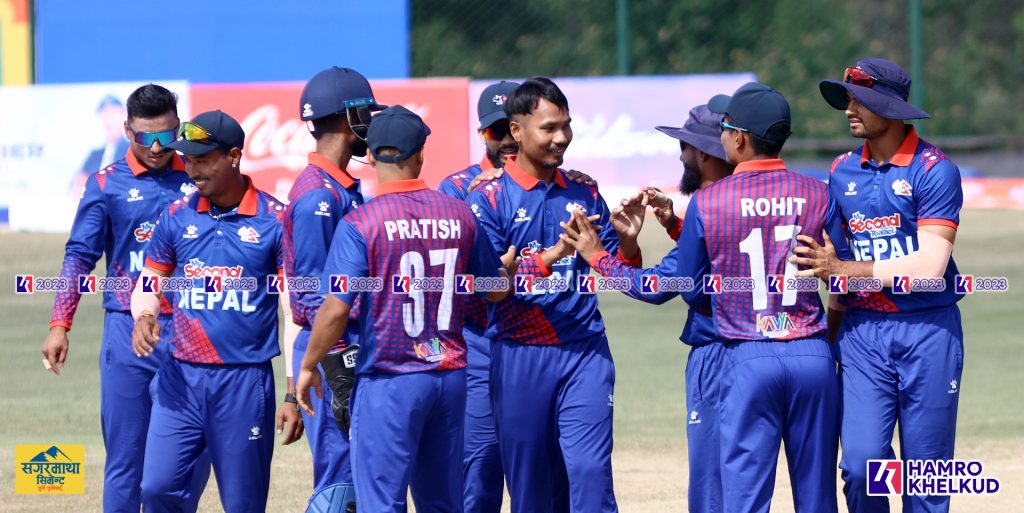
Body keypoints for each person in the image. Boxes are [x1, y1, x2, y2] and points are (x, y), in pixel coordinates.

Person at [296, 105, 513, 513]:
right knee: (442, 503)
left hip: (390, 380)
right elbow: (495, 290)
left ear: (370, 156)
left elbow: (335, 309)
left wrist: (308, 365)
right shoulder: (460, 214)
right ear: (421, 155)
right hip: (449, 378)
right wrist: (507, 272)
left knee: (381, 502)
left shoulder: (361, 222)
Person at [791, 57, 965, 513]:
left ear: (889, 106)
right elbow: (835, 261)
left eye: (859, 101)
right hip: (862, 334)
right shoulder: (840, 171)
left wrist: (847, 270)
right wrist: (830, 331)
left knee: (926, 476)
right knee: (860, 466)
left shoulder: (935, 169)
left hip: (928, 331)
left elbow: (929, 267)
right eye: (848, 100)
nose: (849, 109)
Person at [466, 77, 635, 513]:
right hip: (519, 354)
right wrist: (552, 256)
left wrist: (629, 242)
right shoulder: (487, 199)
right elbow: (489, 290)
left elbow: (619, 272)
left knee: (590, 472)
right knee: (530, 489)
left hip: (585, 351)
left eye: (566, 125)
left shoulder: (585, 191)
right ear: (517, 131)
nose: (562, 137)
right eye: (549, 128)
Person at [559, 103, 735, 513]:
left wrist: (599, 256)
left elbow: (656, 287)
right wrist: (673, 228)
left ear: (704, 153)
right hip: (794, 351)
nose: (680, 154)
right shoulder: (785, 192)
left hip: (721, 355)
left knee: (713, 487)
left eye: (684, 145)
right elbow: (721, 259)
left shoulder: (708, 206)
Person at [673, 82, 840, 513]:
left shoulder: (708, 201)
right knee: (818, 499)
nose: (721, 136)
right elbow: (841, 278)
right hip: (812, 353)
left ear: (740, 138)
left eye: (725, 128)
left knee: (745, 501)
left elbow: (691, 287)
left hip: (747, 353)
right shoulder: (820, 192)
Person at [42, 84, 210, 513]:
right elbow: (80, 255)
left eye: (165, 136)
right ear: (127, 131)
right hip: (127, 333)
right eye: (144, 137)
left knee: (190, 460)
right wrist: (60, 324)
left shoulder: (200, 176)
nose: (155, 147)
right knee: (125, 461)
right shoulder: (105, 184)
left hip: (193, 331)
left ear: (179, 128)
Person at [131, 110, 288, 513]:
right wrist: (145, 315)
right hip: (180, 377)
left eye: (203, 159)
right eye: (188, 159)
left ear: (234, 156)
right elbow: (150, 279)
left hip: (243, 381)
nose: (192, 169)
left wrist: (292, 386)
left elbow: (293, 309)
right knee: (156, 487)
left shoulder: (275, 220)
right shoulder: (176, 215)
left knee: (242, 502)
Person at [283, 66, 384, 498]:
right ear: (349, 118)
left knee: (362, 476)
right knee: (341, 482)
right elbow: (311, 295)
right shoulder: (319, 196)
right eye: (367, 114)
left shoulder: (338, 187)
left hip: (344, 344)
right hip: (333, 350)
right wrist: (338, 358)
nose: (372, 124)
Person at [437, 79, 519, 513]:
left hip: (537, 341)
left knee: (538, 469)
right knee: (480, 467)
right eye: (496, 130)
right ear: (481, 133)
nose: (507, 140)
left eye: (514, 128)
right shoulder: (456, 189)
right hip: (477, 341)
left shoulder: (557, 184)